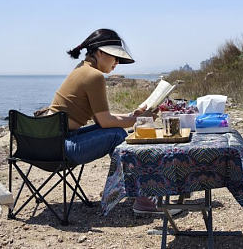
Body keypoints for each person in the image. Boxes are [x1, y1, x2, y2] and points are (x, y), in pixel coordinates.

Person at [46, 28, 178, 215]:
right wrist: (136, 120)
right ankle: (145, 201)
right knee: (117, 134)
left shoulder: (82, 70)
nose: (117, 63)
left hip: (48, 143)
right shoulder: (94, 76)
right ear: (99, 52)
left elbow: (102, 118)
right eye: (115, 57)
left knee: (115, 132)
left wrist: (132, 116)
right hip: (62, 148)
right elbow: (106, 122)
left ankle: (138, 194)